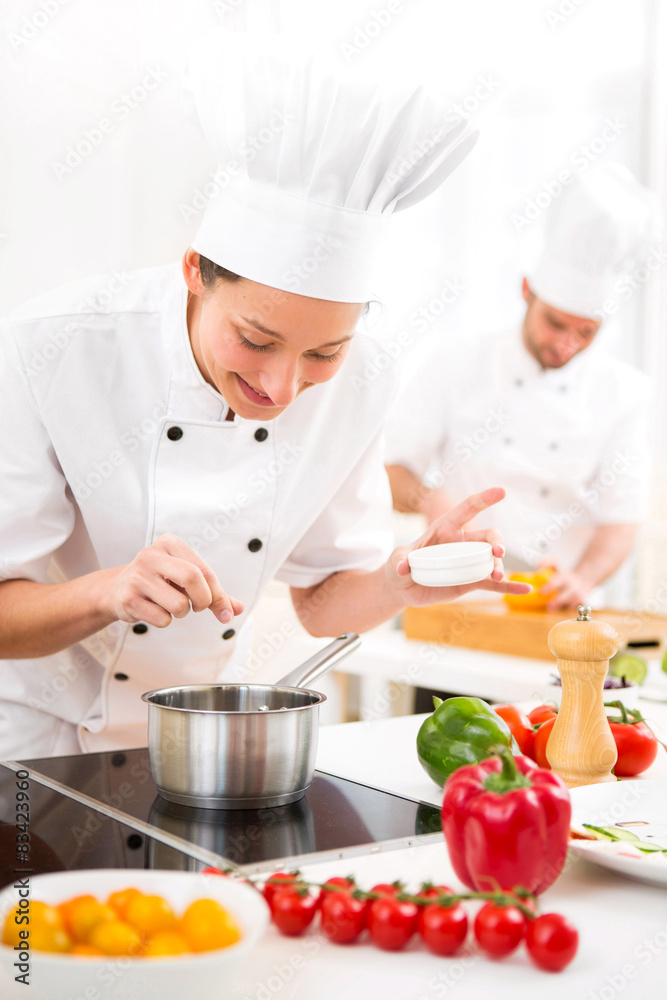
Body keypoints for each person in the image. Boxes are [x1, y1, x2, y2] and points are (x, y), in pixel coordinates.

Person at [0, 29, 527, 759]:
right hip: (39, 747)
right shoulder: (53, 349)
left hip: (207, 739)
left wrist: (403, 579)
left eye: (324, 351)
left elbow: (321, 602)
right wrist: (106, 592)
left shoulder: (366, 377)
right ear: (193, 272)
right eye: (253, 339)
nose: (281, 387)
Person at [386, 163, 659, 610]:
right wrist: (430, 499)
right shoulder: (455, 362)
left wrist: (583, 578)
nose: (567, 343)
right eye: (556, 323)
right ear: (527, 290)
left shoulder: (625, 394)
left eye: (586, 332)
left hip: (558, 609)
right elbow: (393, 471)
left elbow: (620, 519)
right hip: (460, 601)